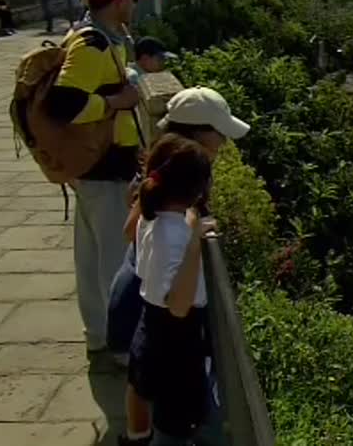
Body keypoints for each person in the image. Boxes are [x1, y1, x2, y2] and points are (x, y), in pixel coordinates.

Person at [109, 87, 250, 446]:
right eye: (218, 134)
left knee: (142, 383)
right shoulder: (173, 189)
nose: (223, 143)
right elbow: (177, 302)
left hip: (142, 304)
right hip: (153, 311)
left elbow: (133, 231)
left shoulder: (162, 175)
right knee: (171, 414)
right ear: (196, 135)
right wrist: (191, 238)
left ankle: (136, 438)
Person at [45, 0, 153, 357]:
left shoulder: (102, 38)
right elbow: (62, 104)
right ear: (119, 0)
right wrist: (115, 102)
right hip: (104, 170)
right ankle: (122, 347)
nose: (136, 5)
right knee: (115, 263)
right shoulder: (92, 45)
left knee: (91, 260)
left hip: (97, 166)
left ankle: (98, 334)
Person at [129, 133, 223, 445]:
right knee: (174, 431)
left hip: (151, 330)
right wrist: (194, 240)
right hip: (177, 347)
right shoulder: (176, 236)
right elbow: (179, 305)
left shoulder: (150, 218)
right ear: (198, 190)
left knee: (166, 422)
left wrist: (191, 227)